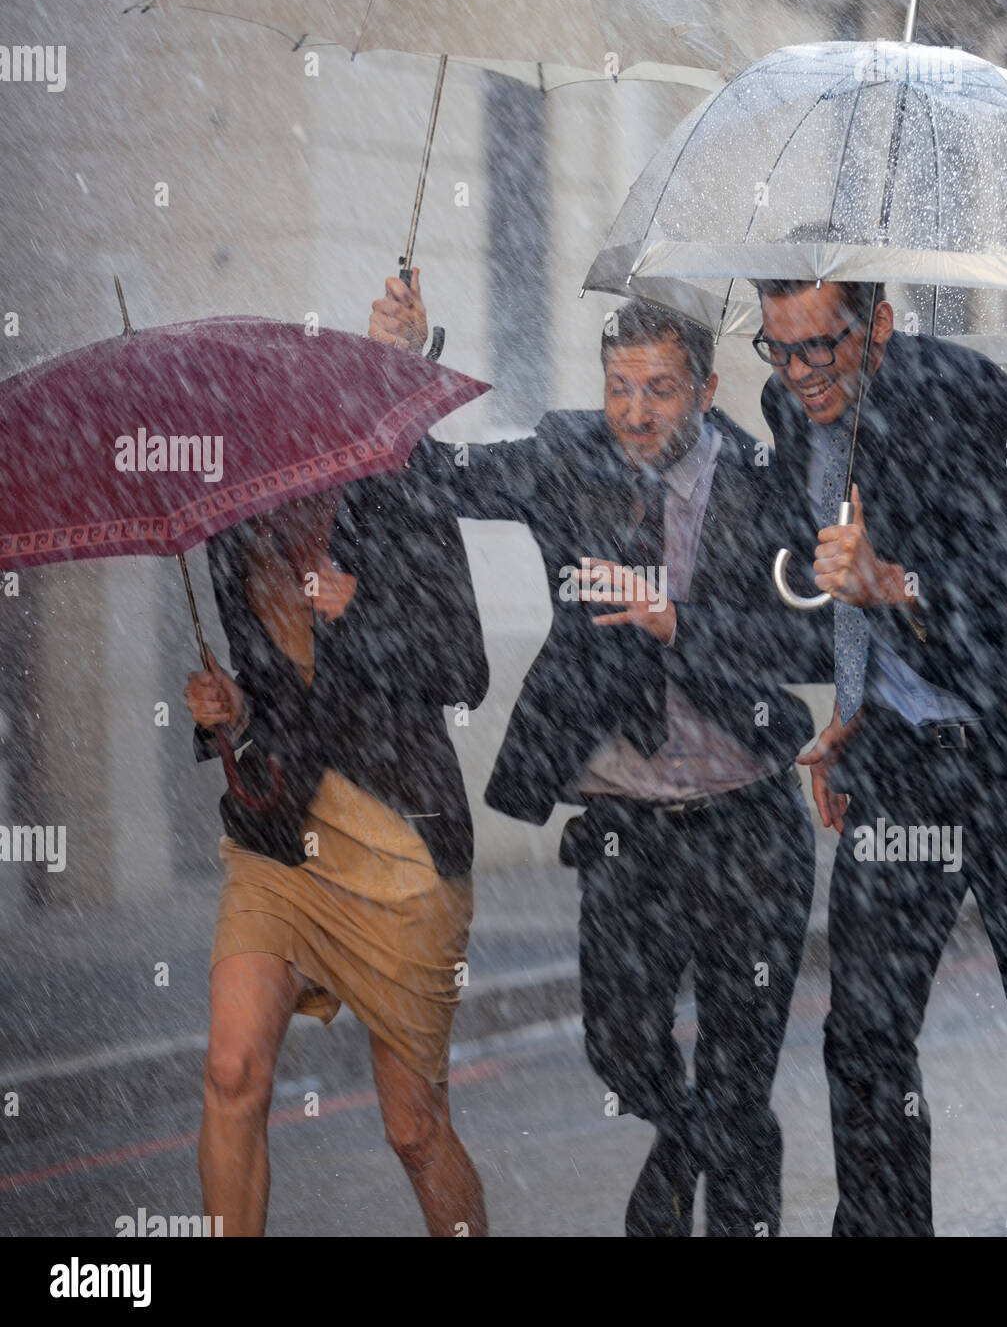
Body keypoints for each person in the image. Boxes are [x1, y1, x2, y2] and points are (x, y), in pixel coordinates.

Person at [370, 274, 833, 1236]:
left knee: (740, 1075)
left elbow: (816, 646)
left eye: (659, 389)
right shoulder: (564, 454)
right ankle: (695, 1140)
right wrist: (398, 366)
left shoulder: (761, 479)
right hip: (625, 834)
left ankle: (721, 1165)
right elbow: (425, 474)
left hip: (749, 827)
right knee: (621, 1051)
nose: (633, 412)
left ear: (705, 391)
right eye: (620, 386)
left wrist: (681, 624)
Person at [756, 270, 1007, 1236]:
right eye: (780, 347)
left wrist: (896, 582)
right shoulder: (787, 407)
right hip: (903, 762)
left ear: (881, 325)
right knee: (862, 1030)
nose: (803, 372)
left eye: (823, 345)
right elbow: (828, 576)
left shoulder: (969, 393)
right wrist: (851, 710)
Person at [184, 435, 490, 1238]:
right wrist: (233, 710)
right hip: (281, 843)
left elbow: (465, 670)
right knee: (232, 1071)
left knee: (413, 1129)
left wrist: (358, 607)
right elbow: (281, 697)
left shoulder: (398, 500)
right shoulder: (230, 532)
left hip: (401, 842)